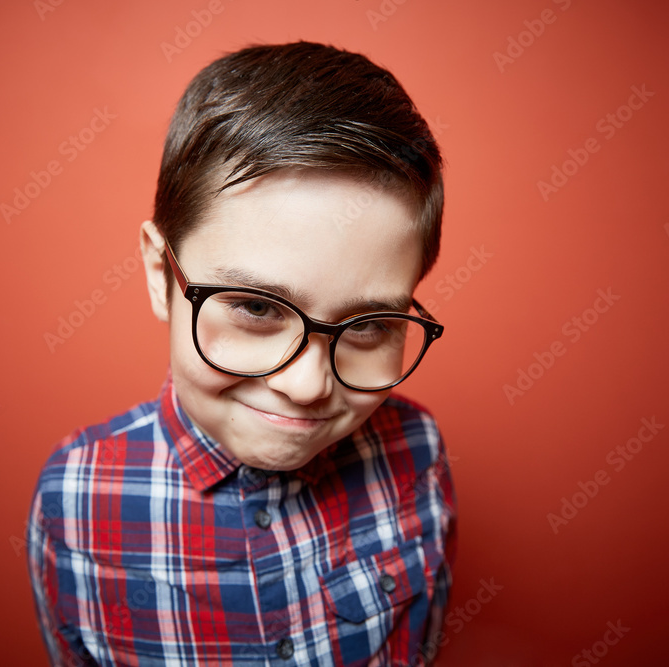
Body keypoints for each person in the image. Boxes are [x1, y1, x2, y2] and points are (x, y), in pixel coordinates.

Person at [26, 40, 457, 666]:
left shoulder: (418, 452)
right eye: (256, 308)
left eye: (367, 326)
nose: (307, 386)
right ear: (160, 273)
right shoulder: (74, 499)